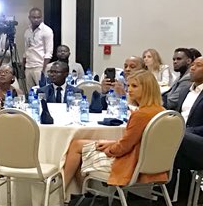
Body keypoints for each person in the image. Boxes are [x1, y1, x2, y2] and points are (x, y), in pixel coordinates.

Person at [62, 70, 167, 193]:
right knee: (81, 145)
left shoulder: (140, 115)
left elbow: (122, 148)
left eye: (134, 86)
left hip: (131, 164)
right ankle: (82, 194)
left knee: (76, 146)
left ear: (147, 89)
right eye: (129, 86)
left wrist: (109, 149)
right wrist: (111, 143)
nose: (129, 90)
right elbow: (139, 141)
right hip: (152, 164)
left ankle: (64, 191)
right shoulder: (161, 111)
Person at [172, 56, 203, 186]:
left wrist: (186, 130)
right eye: (193, 65)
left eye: (198, 65)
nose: (192, 68)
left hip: (198, 140)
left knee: (175, 137)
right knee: (168, 153)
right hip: (182, 140)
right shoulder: (185, 90)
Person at [22, 7, 53, 90]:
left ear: (41, 17)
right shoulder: (27, 31)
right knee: (30, 92)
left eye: (38, 17)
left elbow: (49, 52)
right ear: (29, 18)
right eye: (34, 17)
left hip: (40, 66)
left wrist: (44, 69)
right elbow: (26, 50)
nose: (36, 20)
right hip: (28, 66)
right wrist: (23, 65)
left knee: (42, 91)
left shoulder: (46, 30)